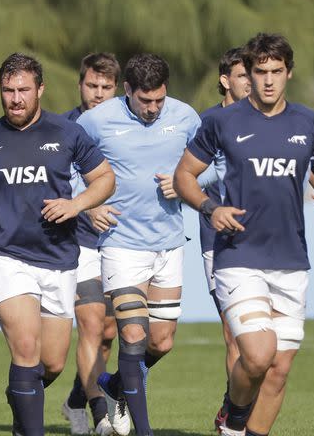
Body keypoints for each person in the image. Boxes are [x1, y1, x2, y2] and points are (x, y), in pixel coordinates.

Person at [173, 33, 314, 436]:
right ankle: (232, 421)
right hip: (238, 256)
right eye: (260, 72)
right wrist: (210, 207)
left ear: (289, 72)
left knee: (278, 371)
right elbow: (184, 175)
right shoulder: (222, 121)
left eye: (276, 71)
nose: (269, 80)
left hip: (292, 261)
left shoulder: (307, 122)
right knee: (256, 355)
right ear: (248, 75)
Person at [0, 53, 115, 436]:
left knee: (51, 363)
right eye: (8, 91)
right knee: (25, 345)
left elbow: (105, 178)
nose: (16, 98)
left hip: (58, 259)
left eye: (24, 89)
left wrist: (76, 205)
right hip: (4, 256)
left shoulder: (68, 133)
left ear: (40, 89)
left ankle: (20, 398)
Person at [76, 53, 201, 436]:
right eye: (144, 100)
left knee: (160, 343)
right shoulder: (95, 121)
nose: (152, 108)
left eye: (159, 100)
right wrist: (87, 206)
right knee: (132, 335)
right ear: (126, 89)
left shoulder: (185, 117)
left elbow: (216, 165)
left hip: (168, 244)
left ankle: (115, 384)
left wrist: (190, 184)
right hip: (121, 244)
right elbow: (62, 172)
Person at [60, 53, 120, 436]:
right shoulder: (62, 129)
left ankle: (75, 401)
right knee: (92, 326)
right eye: (91, 85)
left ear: (117, 89)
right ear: (80, 84)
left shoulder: (127, 125)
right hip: (79, 243)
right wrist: (86, 208)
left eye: (106, 87)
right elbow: (57, 186)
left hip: (120, 243)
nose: (98, 93)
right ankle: (101, 415)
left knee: (110, 334)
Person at [200, 47, 250, 430]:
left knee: (266, 343)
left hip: (267, 237)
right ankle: (233, 419)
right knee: (234, 336)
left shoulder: (267, 118)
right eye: (242, 74)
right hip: (217, 241)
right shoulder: (208, 122)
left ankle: (231, 407)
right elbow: (187, 174)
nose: (251, 82)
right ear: (224, 80)